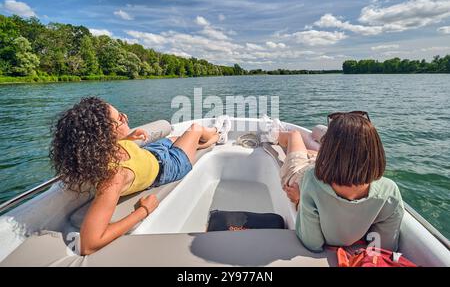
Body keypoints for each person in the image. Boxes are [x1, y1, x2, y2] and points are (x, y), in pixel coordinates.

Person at [50, 97, 231, 255]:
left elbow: (119, 147)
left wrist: (127, 136)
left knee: (180, 138)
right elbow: (90, 243)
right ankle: (217, 134)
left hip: (153, 153)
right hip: (170, 166)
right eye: (120, 118)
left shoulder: (101, 151)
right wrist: (143, 211)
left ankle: (204, 141)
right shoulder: (114, 176)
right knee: (195, 129)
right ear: (105, 134)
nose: (125, 117)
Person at [260, 112, 404, 252]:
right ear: (375, 151)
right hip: (322, 171)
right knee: (311, 151)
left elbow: (311, 243)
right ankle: (313, 154)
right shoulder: (389, 191)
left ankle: (274, 132)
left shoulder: (311, 182)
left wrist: (300, 198)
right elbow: (385, 247)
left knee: (294, 136)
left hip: (301, 175)